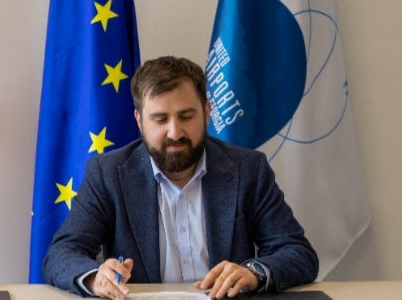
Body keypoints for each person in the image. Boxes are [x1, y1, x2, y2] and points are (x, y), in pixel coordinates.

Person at [42, 56, 318, 300]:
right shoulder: (107, 174)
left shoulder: (248, 169)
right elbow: (61, 254)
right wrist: (96, 278)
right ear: (139, 121)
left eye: (186, 116)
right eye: (160, 120)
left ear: (207, 112)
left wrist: (254, 272)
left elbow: (298, 253)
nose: (175, 133)